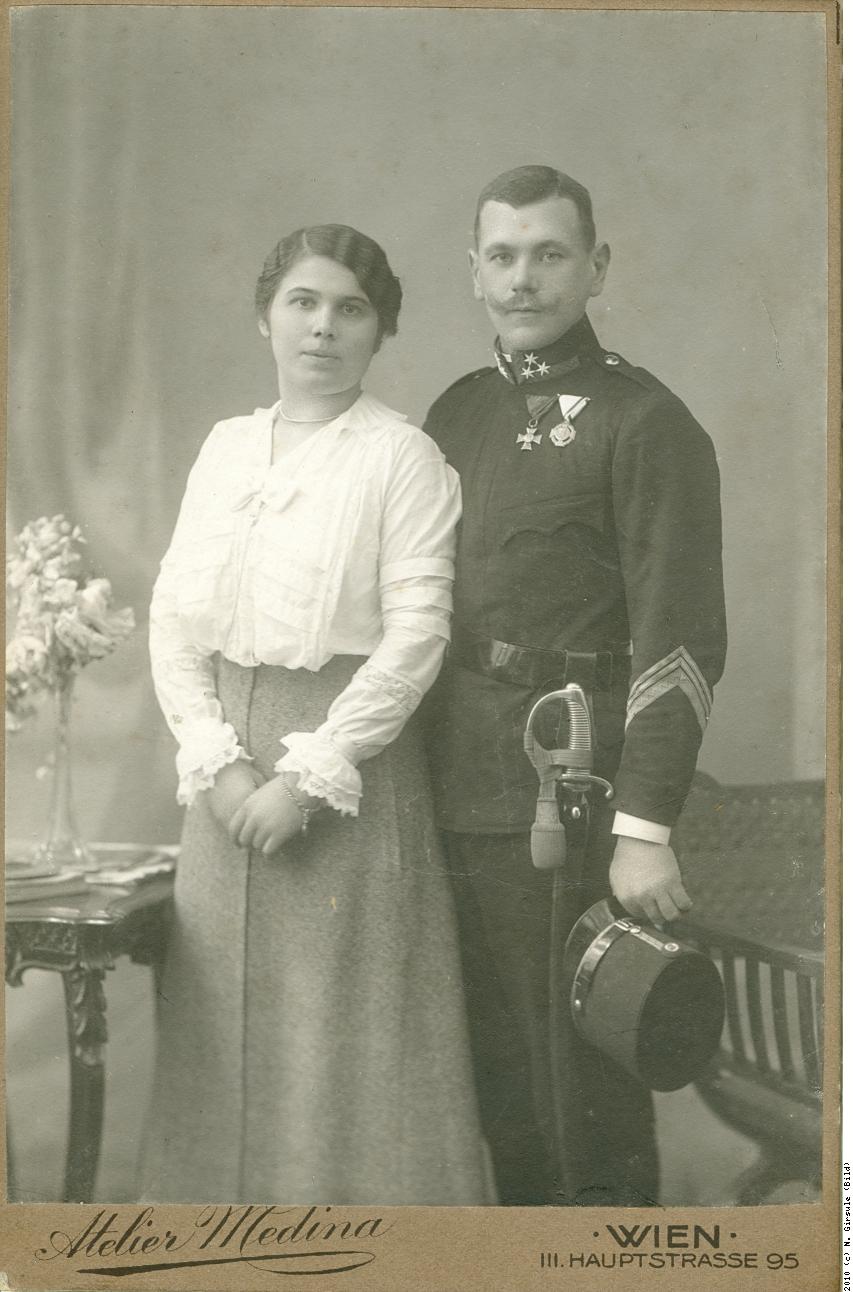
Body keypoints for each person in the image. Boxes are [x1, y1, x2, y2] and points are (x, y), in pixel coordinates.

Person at [138, 224, 488, 1205]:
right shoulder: (225, 448)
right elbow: (172, 618)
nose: (323, 327)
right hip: (223, 786)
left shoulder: (402, 456)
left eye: (349, 308)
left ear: (380, 329)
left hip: (346, 778)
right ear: (266, 316)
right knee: (220, 1037)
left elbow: (417, 635)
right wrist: (215, 759)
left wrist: (306, 777)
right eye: (302, 302)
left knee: (351, 1052)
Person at [423, 165, 726, 1206]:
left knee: (579, 1089)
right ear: (473, 271)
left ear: (595, 266)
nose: (523, 278)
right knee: (496, 1086)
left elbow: (678, 642)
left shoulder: (643, 421)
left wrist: (644, 826)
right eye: (502, 255)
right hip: (451, 788)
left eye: (549, 253)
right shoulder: (456, 414)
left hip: (570, 796)